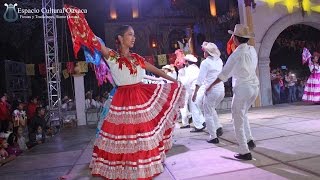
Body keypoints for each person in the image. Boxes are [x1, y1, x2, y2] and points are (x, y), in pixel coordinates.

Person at [64, 8, 185, 179]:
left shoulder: (137, 58)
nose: (133, 37)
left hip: (140, 97)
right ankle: (124, 168)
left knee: (142, 136)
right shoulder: (112, 56)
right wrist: (79, 19)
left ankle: (142, 167)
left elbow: (156, 70)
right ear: (120, 38)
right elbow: (94, 41)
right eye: (130, 34)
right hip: (122, 99)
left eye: (134, 34)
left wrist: (174, 81)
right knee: (124, 136)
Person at [206, 24, 259, 160]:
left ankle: (244, 151)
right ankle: (249, 139)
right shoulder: (252, 50)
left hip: (243, 88)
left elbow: (224, 75)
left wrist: (210, 85)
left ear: (235, 38)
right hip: (254, 87)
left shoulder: (236, 55)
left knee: (237, 119)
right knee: (243, 114)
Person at [192, 42, 225, 144]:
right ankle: (218, 127)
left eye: (204, 51)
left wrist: (195, 93)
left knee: (208, 114)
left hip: (212, 91)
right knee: (210, 109)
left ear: (207, 53)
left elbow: (200, 79)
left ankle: (213, 136)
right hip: (221, 90)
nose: (203, 52)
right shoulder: (219, 61)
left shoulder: (205, 63)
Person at [182, 54, 206, 132]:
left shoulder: (189, 69)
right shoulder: (196, 68)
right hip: (201, 88)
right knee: (197, 107)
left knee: (194, 108)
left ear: (187, 62)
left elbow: (186, 82)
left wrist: (180, 81)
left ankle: (198, 126)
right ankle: (202, 121)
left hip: (195, 89)